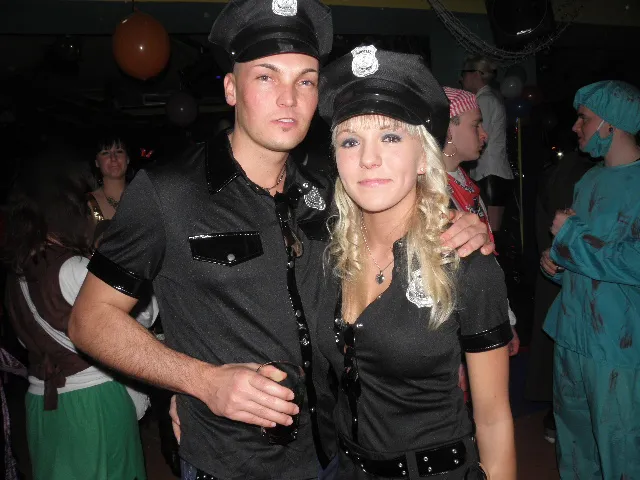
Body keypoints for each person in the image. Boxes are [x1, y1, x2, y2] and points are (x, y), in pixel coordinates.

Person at [69, 2, 494, 479]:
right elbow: (89, 321)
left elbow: (401, 214)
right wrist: (200, 381)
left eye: (305, 81)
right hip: (232, 463)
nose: (289, 99)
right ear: (231, 89)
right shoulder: (167, 192)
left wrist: (457, 224)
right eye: (266, 77)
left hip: (335, 455)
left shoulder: (331, 193)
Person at [314, 47, 516, 479]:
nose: (368, 158)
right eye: (350, 141)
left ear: (424, 156)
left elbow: (494, 419)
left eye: (390, 137)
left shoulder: (467, 264)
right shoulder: (325, 257)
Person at [2, 149, 146, 480]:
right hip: (93, 401)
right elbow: (141, 316)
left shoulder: (17, 273)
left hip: (41, 401)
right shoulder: (74, 269)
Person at [542, 80, 640, 479]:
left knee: (621, 450)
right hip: (572, 333)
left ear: (610, 124)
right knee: (575, 447)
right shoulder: (588, 181)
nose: (575, 127)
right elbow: (585, 255)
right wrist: (557, 262)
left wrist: (568, 238)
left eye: (584, 118)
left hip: (616, 345)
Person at [460, 56, 513, 233]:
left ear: (476, 74)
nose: (461, 78)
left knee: (490, 231)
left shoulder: (485, 100)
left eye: (464, 73)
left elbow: (481, 136)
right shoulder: (487, 98)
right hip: (490, 172)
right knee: (488, 230)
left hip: (491, 172)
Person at [87, 135, 130, 222]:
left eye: (119, 151)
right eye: (105, 153)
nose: (113, 158)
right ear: (97, 162)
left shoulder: (146, 196)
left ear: (127, 159)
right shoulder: (86, 203)